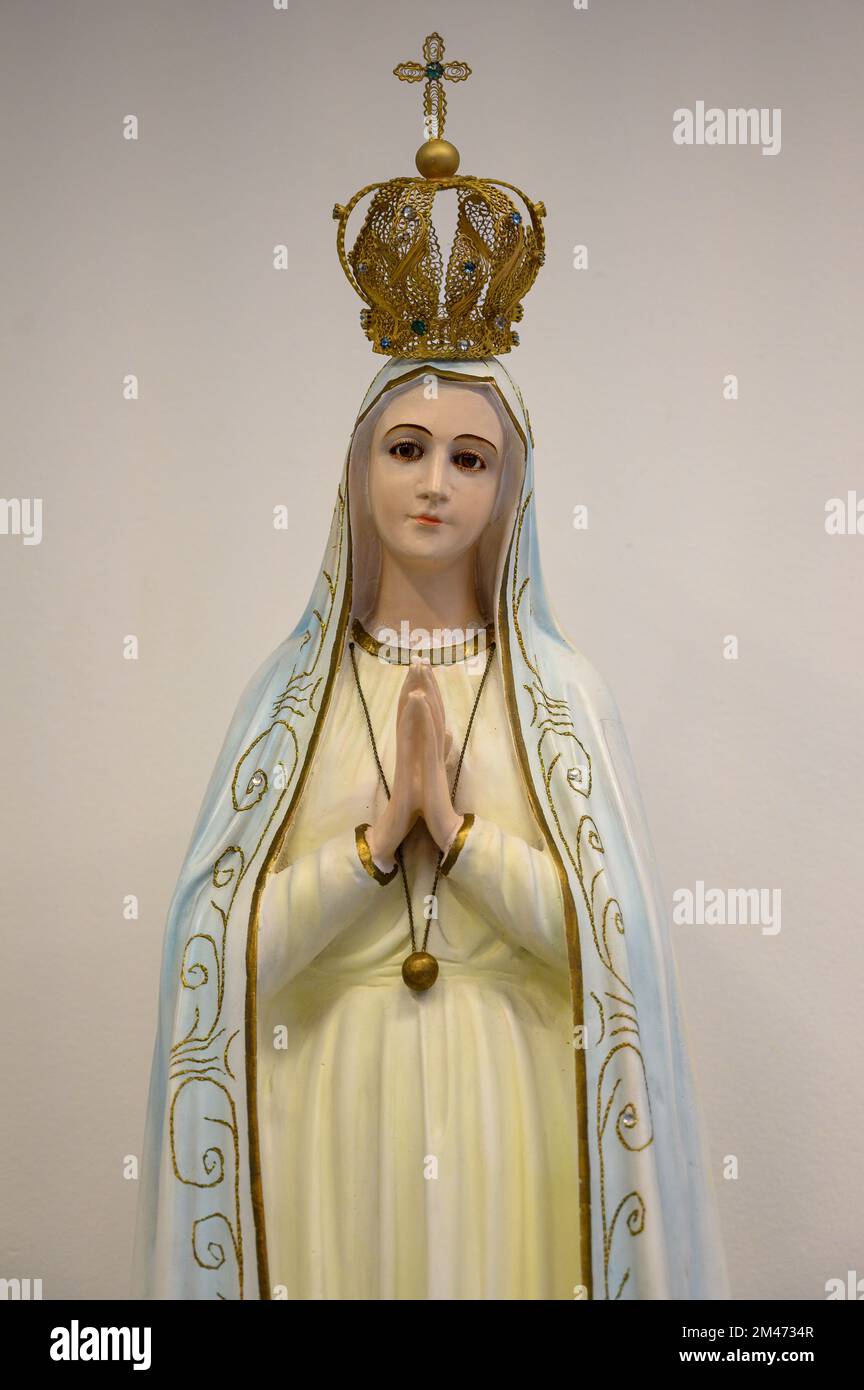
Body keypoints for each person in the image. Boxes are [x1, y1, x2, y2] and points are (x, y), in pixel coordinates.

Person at [132, 355, 730, 1300]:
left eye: (471, 458)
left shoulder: (564, 699)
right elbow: (216, 958)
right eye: (407, 449)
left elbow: (617, 953)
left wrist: (456, 837)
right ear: (359, 469)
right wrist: (369, 851)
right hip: (331, 1107)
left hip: (508, 1106)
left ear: (510, 490)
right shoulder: (292, 700)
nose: (435, 483)